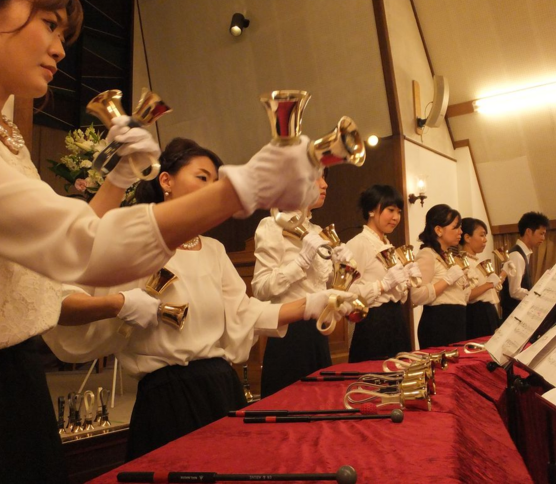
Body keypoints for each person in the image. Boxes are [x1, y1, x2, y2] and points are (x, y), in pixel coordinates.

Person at [0, 0, 322, 482]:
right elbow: (76, 245)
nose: (60, 48)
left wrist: (119, 178)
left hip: (12, 379)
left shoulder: (0, 138)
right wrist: (240, 188)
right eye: (49, 24)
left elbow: (56, 257)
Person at [44, 138, 354, 460]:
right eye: (202, 178)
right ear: (166, 181)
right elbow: (62, 300)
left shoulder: (213, 249)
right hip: (166, 397)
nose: (212, 189)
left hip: (220, 387)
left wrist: (313, 304)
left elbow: (246, 312)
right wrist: (119, 304)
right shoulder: (133, 245)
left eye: (215, 182)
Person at [252, 169, 354, 398]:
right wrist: (301, 261)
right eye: (316, 177)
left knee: (321, 405)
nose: (324, 184)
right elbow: (260, 288)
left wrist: (342, 269)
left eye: (325, 177)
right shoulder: (272, 226)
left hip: (318, 334)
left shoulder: (318, 232)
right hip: (289, 334)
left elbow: (323, 288)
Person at [344, 185, 416, 362]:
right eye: (390, 210)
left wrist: (406, 281)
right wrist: (382, 285)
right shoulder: (358, 244)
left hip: (396, 320)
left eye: (399, 212)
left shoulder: (388, 246)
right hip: (373, 324)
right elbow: (346, 293)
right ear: (371, 210)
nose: (396, 217)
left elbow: (399, 296)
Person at [410, 204, 470, 348]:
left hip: (457, 321)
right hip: (438, 323)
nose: (460, 232)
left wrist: (465, 285)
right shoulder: (427, 254)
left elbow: (459, 297)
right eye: (455, 227)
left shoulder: (448, 257)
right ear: (439, 230)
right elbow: (416, 295)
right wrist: (447, 280)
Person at [500, 211, 550, 321]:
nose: (543, 238)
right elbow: (514, 291)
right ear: (528, 231)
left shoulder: (523, 253)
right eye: (541, 233)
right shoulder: (516, 255)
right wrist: (536, 296)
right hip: (513, 315)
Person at [460, 217, 505, 338]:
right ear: (467, 237)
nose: (485, 240)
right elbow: (467, 295)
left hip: (488, 311)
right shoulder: (463, 262)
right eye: (482, 235)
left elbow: (492, 287)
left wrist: (504, 273)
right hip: (477, 313)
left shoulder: (475, 261)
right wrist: (489, 284)